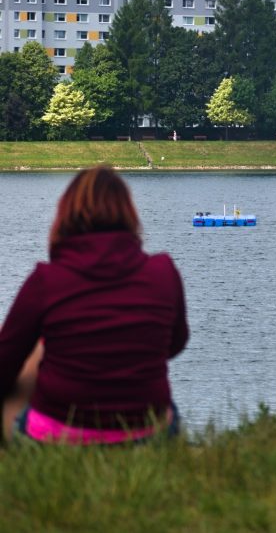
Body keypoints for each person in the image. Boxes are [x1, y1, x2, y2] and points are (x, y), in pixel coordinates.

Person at [0, 166, 189, 445]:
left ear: (65, 214)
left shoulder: (46, 280)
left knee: (31, 358)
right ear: (129, 214)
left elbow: (5, 363)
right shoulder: (163, 271)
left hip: (60, 437)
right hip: (149, 433)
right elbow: (174, 344)